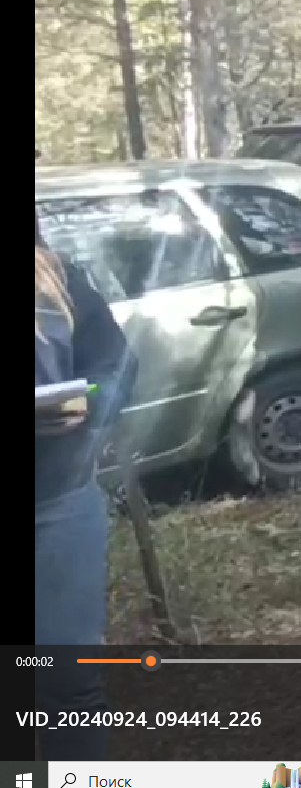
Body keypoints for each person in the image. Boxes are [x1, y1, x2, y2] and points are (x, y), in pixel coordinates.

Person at [36, 218, 137, 758]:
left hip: (58, 506)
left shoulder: (54, 276)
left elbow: (116, 363)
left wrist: (90, 403)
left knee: (67, 684)